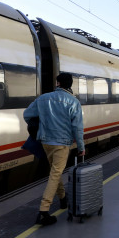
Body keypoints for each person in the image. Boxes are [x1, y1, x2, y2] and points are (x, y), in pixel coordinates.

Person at [23, 72, 85, 226]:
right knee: (55, 174)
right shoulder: (74, 102)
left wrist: (43, 124)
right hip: (62, 143)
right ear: (70, 85)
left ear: (58, 83)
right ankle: (43, 211)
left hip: (46, 142)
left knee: (55, 171)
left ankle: (63, 199)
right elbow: (77, 128)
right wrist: (81, 147)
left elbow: (27, 115)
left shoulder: (44, 98)